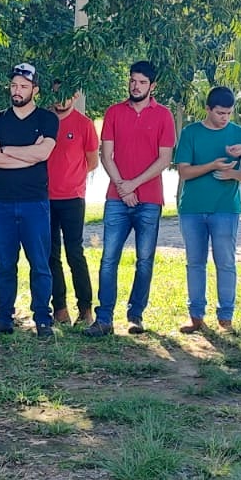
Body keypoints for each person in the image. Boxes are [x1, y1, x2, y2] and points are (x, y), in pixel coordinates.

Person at [85, 61, 176, 337]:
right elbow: (105, 155)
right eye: (133, 81)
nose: (136, 86)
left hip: (150, 199)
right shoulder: (114, 112)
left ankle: (136, 315)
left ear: (152, 86)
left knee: (144, 260)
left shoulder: (164, 115)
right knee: (108, 259)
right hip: (116, 198)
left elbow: (164, 159)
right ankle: (104, 319)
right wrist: (123, 188)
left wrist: (132, 185)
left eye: (142, 82)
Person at [173, 86, 241, 333]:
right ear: (208, 109)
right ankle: (196, 316)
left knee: (225, 262)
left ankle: (226, 317)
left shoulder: (240, 134)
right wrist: (212, 165)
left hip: (225, 209)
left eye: (229, 113)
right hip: (192, 208)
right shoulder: (191, 133)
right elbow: (184, 172)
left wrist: (233, 174)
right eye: (220, 113)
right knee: (195, 263)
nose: (225, 118)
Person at [0, 64, 60, 338]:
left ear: (35, 90)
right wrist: (27, 154)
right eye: (14, 85)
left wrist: (6, 150)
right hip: (2, 203)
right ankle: (4, 318)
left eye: (24, 86)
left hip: (34, 203)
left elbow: (43, 154)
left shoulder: (47, 119)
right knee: (4, 264)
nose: (17, 91)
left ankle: (43, 319)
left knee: (40, 264)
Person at [46, 82, 99, 326]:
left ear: (76, 95)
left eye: (66, 94)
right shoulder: (43, 120)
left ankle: (85, 309)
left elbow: (92, 161)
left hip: (73, 198)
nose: (61, 99)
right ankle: (59, 308)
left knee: (74, 253)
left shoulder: (84, 124)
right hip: (44, 198)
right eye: (57, 93)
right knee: (50, 254)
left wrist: (72, 178)